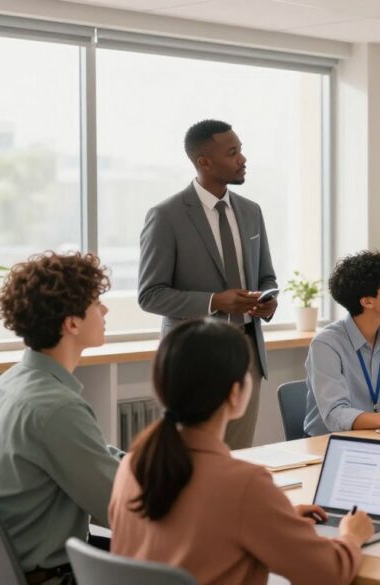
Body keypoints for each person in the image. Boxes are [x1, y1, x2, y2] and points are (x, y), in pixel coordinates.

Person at [109, 319, 372, 585]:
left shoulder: (131, 466)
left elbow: (196, 527)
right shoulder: (244, 485)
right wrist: (352, 535)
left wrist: (277, 518)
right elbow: (328, 573)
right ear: (235, 393)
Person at [0, 251, 121, 584]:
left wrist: (148, 463)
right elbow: (119, 508)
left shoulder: (7, 385)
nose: (105, 310)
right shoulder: (56, 407)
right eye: (96, 303)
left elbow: (94, 454)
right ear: (72, 323)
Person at [138, 119, 278, 450]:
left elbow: (266, 275)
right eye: (233, 152)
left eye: (241, 149)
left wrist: (269, 300)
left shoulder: (251, 212)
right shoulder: (166, 216)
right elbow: (150, 295)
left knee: (240, 455)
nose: (243, 159)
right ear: (204, 162)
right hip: (192, 357)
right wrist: (215, 301)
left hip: (246, 351)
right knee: (193, 459)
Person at [303, 250, 380, 437]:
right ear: (367, 301)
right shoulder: (325, 344)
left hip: (379, 436)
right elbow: (336, 414)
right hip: (327, 443)